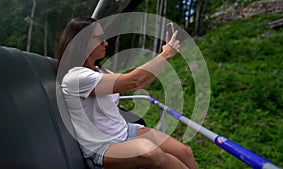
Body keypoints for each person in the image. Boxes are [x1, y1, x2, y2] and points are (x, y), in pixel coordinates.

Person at [57, 16, 198, 169]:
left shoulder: (100, 71)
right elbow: (133, 80)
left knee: (185, 152)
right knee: (151, 153)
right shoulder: (76, 77)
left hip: (125, 131)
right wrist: (165, 55)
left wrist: (166, 58)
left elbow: (137, 84)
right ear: (82, 42)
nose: (105, 43)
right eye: (100, 38)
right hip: (102, 148)